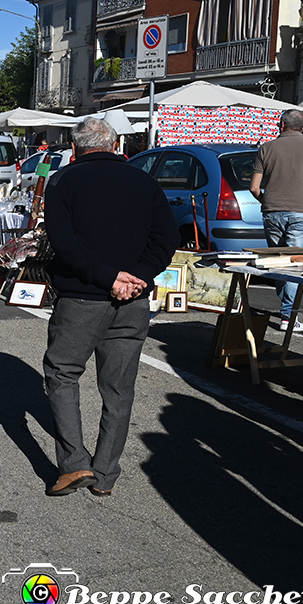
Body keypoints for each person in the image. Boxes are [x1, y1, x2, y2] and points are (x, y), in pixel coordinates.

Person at [42, 116, 178, 497]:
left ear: (75, 148)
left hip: (84, 297)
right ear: (116, 145)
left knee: (63, 373)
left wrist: (109, 278)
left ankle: (74, 465)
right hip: (133, 298)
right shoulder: (144, 180)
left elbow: (64, 243)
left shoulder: (63, 180)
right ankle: (104, 473)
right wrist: (136, 276)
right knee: (119, 388)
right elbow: (165, 238)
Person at [249, 109, 303, 331]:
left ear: (281, 125)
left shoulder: (266, 148)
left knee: (279, 261)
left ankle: (286, 309)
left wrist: (267, 199)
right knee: (295, 263)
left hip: (272, 210)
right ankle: (288, 316)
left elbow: (254, 187)